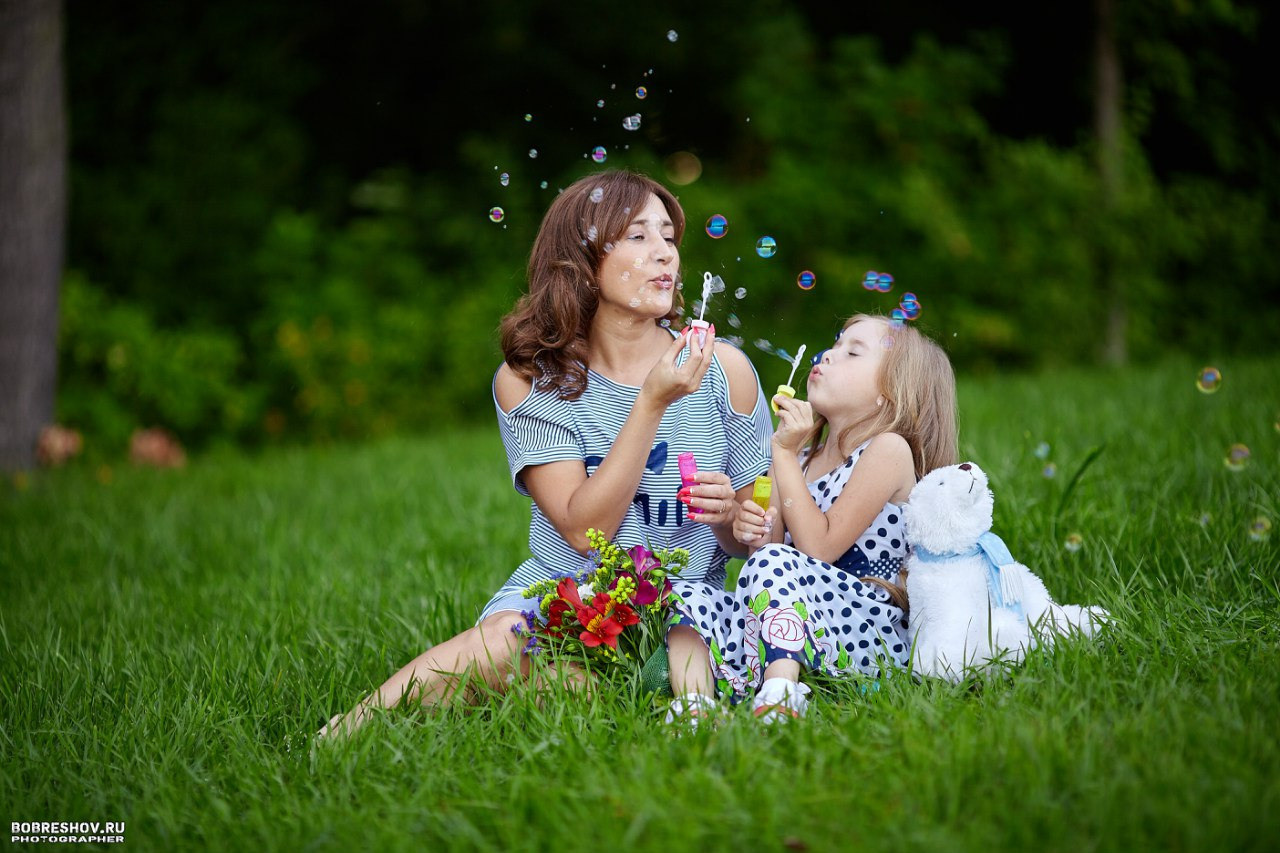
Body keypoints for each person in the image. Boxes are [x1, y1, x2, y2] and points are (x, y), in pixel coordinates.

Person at [318, 170, 772, 739]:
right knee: (514, 644)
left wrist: (735, 516)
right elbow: (587, 532)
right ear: (581, 259)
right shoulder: (533, 380)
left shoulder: (725, 371)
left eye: (668, 236)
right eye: (637, 236)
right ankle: (347, 730)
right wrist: (651, 402)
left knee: (583, 693)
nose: (664, 254)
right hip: (563, 603)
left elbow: (762, 539)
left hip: (682, 621)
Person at [665, 313, 957, 722]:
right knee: (685, 591)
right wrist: (742, 524)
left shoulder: (887, 450)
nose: (829, 355)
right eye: (836, 344)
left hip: (866, 624)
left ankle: (781, 694)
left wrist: (780, 456)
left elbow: (818, 549)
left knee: (775, 562)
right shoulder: (801, 459)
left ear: (889, 394)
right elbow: (765, 555)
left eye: (853, 352)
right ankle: (695, 705)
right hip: (797, 619)